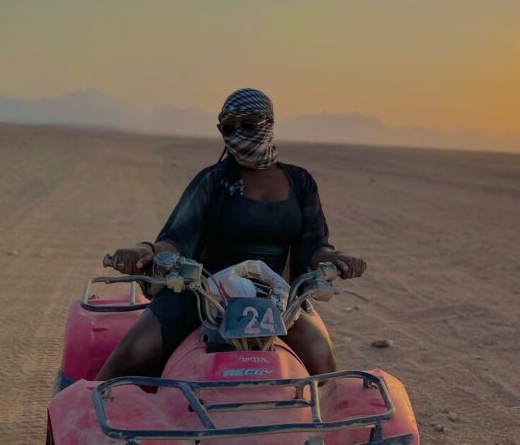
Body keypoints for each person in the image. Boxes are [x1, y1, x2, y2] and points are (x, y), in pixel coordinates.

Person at [96, 88, 366, 380]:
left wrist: (337, 259)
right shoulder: (213, 182)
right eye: (229, 127)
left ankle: (320, 426)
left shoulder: (300, 183)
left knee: (320, 355)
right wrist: (145, 250)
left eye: (248, 125)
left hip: (272, 300)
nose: (238, 134)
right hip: (204, 296)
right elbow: (176, 239)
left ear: (269, 124)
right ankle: (86, 414)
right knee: (134, 351)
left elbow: (315, 247)